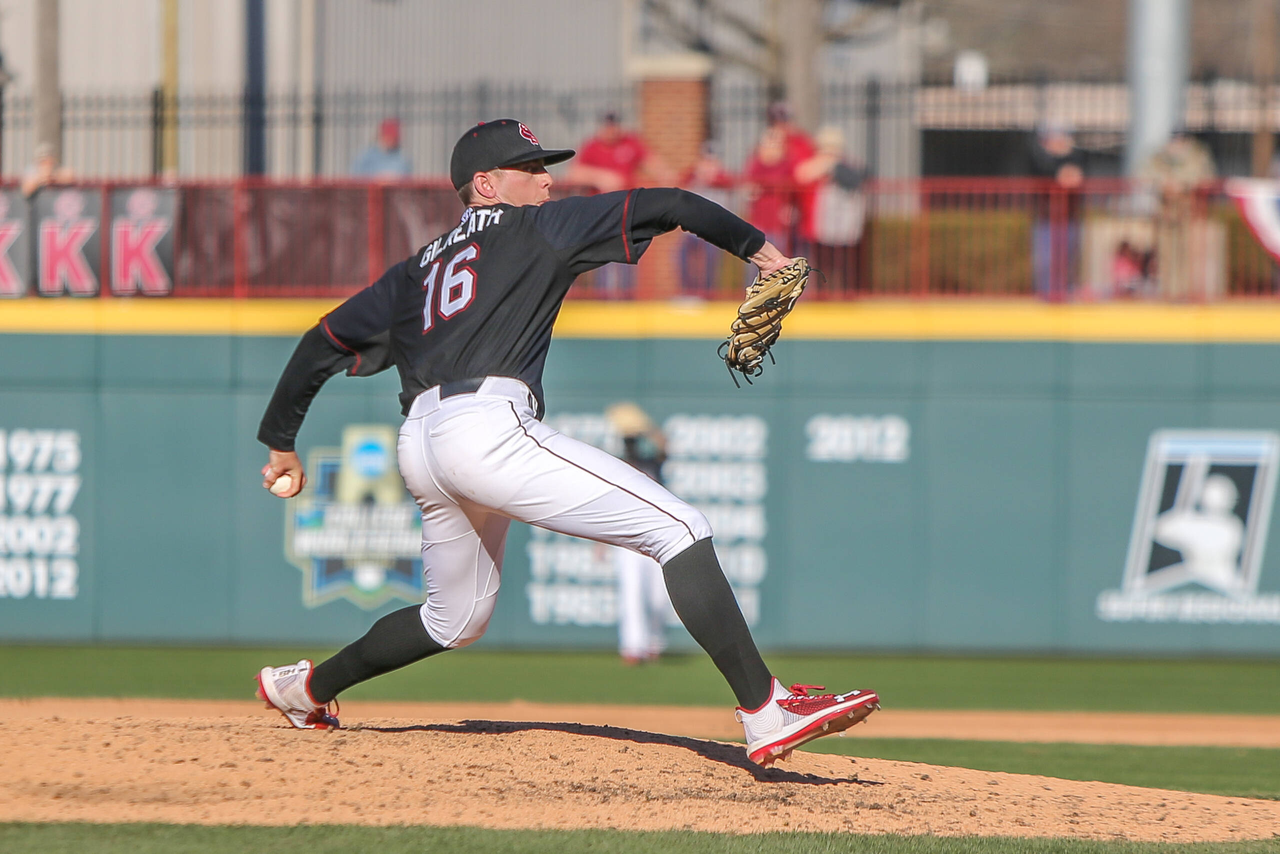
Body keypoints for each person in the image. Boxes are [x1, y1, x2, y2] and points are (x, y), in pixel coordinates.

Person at [253, 118, 879, 766]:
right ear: (486, 184)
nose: (547, 180)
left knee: (453, 619)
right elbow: (671, 204)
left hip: (422, 442)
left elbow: (320, 342)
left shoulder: (417, 269)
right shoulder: (537, 228)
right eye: (531, 170)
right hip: (487, 430)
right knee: (680, 527)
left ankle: (306, 689)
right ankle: (765, 710)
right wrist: (757, 249)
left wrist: (281, 442)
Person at [603, 402, 675, 664]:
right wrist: (598, 543)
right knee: (631, 593)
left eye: (634, 441)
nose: (631, 445)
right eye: (628, 441)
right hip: (626, 539)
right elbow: (607, 505)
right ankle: (633, 648)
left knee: (658, 597)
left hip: (657, 536)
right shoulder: (617, 466)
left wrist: (645, 428)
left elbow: (664, 445)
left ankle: (654, 643)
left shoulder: (651, 462)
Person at [1139, 132, 1216, 300]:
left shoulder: (1198, 156)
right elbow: (1144, 176)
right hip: (1165, 211)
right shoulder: (1159, 157)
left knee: (1186, 254)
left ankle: (1184, 292)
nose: (1176, 145)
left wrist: (1183, 185)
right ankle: (1169, 292)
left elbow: (1206, 179)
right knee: (1165, 253)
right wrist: (1163, 184)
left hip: (1188, 211)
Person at [742, 102, 816, 257]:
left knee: (788, 267)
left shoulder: (798, 145)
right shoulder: (760, 154)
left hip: (792, 222)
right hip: (763, 223)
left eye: (785, 120)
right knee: (759, 267)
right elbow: (749, 185)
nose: (782, 126)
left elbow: (800, 176)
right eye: (777, 121)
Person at [1026, 123, 1084, 299]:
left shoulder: (1077, 157)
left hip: (1069, 218)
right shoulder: (1040, 160)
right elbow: (1040, 172)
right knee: (1045, 260)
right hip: (1046, 218)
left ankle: (1064, 294)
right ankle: (1045, 295)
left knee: (1067, 259)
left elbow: (1078, 176)